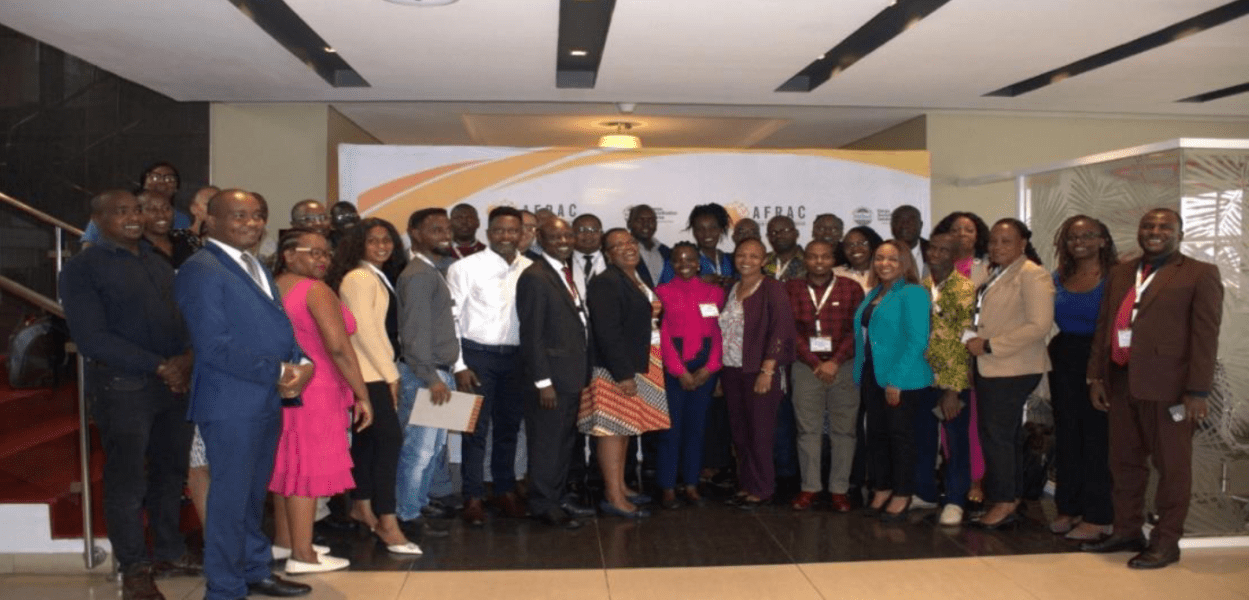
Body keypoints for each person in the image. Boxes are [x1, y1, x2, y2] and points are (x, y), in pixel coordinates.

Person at [175, 189, 314, 600]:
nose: (251, 223)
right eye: (239, 215)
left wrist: (301, 362)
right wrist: (279, 371)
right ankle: (224, 587)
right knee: (229, 500)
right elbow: (213, 346)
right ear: (211, 220)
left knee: (253, 495)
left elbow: (276, 326)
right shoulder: (201, 269)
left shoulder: (252, 263)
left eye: (257, 215)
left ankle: (254, 570)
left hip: (263, 399)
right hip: (230, 402)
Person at [60, 190, 198, 600]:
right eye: (121, 212)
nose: (134, 217)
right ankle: (135, 568)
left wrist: (186, 360)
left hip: (173, 384)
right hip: (124, 387)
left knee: (170, 474)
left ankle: (169, 552)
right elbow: (92, 338)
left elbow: (184, 318)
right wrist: (160, 366)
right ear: (98, 219)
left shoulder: (157, 261)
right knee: (127, 480)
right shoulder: (83, 268)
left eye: (137, 209)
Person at [1083, 208, 1222, 569]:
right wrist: (1096, 377)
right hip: (1121, 381)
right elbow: (1105, 326)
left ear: (1180, 233)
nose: (1155, 231)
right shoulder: (1122, 272)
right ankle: (1127, 531)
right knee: (1124, 463)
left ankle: (1166, 541)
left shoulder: (1199, 273)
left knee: (1172, 468)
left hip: (1170, 389)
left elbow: (1205, 336)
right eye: (1148, 225)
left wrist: (1198, 391)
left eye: (1164, 227)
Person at [270, 228, 374, 574]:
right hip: (316, 389)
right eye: (313, 252)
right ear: (288, 255)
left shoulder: (274, 286)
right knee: (307, 469)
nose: (323, 260)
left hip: (286, 386)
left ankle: (286, 543)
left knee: (288, 465)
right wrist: (362, 393)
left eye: (327, 253)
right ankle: (303, 556)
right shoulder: (315, 290)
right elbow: (339, 348)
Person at [326, 218, 422, 555]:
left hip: (372, 372)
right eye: (373, 240)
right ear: (359, 244)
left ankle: (362, 506)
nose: (382, 246)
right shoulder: (359, 277)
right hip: (370, 374)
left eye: (387, 239)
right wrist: (391, 375)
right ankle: (387, 522)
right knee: (389, 443)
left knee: (367, 444)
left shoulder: (373, 275)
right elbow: (366, 332)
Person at [964, 218, 1054, 529]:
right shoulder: (997, 272)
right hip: (991, 366)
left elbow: (1039, 325)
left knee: (997, 437)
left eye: (1006, 241)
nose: (997, 247)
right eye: (993, 241)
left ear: (1022, 244)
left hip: (1013, 367)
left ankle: (1003, 502)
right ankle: (1011, 498)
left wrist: (990, 345)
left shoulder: (1032, 274)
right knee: (1005, 436)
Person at [446, 206, 532, 525]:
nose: (506, 236)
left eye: (512, 231)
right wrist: (458, 365)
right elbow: (452, 320)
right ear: (488, 233)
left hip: (516, 359)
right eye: (499, 230)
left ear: (522, 234)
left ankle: (504, 490)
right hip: (477, 357)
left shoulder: (531, 269)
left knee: (509, 428)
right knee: (475, 430)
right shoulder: (464, 268)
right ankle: (473, 496)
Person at [516, 217, 595, 528]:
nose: (564, 242)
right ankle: (543, 503)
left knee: (563, 443)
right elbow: (531, 334)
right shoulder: (535, 276)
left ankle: (557, 497)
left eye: (567, 236)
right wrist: (543, 382)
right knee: (547, 444)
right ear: (541, 240)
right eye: (555, 237)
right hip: (550, 380)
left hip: (570, 375)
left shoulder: (563, 272)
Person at [584, 228, 668, 518]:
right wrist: (622, 374)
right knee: (612, 431)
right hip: (615, 370)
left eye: (630, 241)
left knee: (625, 429)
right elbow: (607, 332)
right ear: (608, 255)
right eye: (617, 245)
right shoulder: (606, 282)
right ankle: (613, 497)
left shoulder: (635, 277)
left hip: (638, 363)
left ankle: (619, 486)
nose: (628, 247)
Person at [394, 208, 465, 537]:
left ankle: (418, 502)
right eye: (436, 230)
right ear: (415, 234)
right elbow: (414, 335)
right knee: (419, 452)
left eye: (447, 229)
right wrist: (432, 379)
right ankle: (407, 514)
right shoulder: (420, 275)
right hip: (425, 376)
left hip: (437, 373)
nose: (445, 235)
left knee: (433, 450)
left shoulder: (431, 270)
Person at [1048, 215, 1118, 541]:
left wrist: (1100, 373)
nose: (1079, 242)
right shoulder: (1059, 276)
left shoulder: (1116, 276)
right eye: (1073, 237)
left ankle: (1098, 515)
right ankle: (1069, 508)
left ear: (1103, 240)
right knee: (1067, 436)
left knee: (1097, 439)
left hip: (1102, 358)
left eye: (1088, 235)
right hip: (1064, 356)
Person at [853, 240, 932, 521]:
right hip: (873, 375)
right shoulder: (875, 292)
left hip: (903, 378)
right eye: (879, 258)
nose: (883, 264)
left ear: (905, 263)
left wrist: (896, 380)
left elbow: (917, 340)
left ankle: (902, 492)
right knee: (876, 435)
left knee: (900, 438)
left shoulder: (914, 293)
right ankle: (883, 487)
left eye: (892, 259)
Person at [719, 237, 798, 509]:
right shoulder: (731, 289)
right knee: (740, 432)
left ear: (764, 261)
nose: (747, 260)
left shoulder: (772, 288)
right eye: (741, 255)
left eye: (754, 256)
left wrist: (768, 369)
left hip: (760, 370)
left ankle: (763, 488)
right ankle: (746, 484)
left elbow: (782, 328)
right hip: (731, 370)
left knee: (760, 433)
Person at [785, 240, 863, 512]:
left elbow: (856, 330)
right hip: (806, 367)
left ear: (833, 259)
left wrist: (835, 361)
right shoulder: (791, 288)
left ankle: (839, 490)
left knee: (844, 431)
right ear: (805, 260)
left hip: (844, 366)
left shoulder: (851, 288)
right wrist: (814, 362)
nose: (819, 261)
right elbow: (788, 330)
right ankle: (810, 487)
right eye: (813, 256)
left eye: (825, 256)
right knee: (808, 430)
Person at [654, 242, 724, 509]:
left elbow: (718, 331)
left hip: (705, 365)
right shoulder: (661, 293)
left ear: (698, 263)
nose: (684, 264)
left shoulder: (715, 292)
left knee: (697, 429)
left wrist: (711, 367)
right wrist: (679, 371)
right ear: (671, 264)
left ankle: (692, 484)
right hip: (674, 365)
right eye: (678, 259)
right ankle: (668, 486)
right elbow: (662, 334)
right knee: (671, 430)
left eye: (690, 259)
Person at [914, 232, 976, 526]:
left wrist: (953, 389)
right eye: (933, 249)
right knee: (924, 438)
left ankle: (955, 500)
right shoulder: (922, 287)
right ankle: (925, 492)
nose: (935, 254)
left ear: (955, 256)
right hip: (923, 378)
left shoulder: (964, 289)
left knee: (956, 442)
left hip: (952, 379)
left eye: (944, 250)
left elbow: (965, 338)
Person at [930, 210, 991, 503]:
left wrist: (966, 362)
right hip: (936, 362)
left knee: (970, 423)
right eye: (956, 229)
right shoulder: (932, 270)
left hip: (971, 358)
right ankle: (952, 477)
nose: (962, 235)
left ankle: (976, 481)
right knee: (945, 424)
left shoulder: (985, 269)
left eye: (969, 230)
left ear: (978, 236)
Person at [81, 162, 191, 246]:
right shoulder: (112, 213)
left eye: (169, 179)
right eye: (154, 177)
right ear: (143, 183)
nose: (161, 182)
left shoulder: (182, 219)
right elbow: (88, 249)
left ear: (176, 188)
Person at [659, 203, 736, 284]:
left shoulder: (731, 260)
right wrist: (700, 281)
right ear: (694, 232)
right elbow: (664, 289)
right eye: (700, 229)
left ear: (721, 230)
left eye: (713, 228)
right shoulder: (677, 260)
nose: (707, 233)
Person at [138, 190, 200, 268]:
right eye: (152, 209)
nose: (161, 215)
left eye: (166, 208)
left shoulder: (187, 240)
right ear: (138, 214)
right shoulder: (135, 249)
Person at [629, 204, 671, 288]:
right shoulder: (623, 252)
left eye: (651, 220)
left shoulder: (666, 252)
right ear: (629, 223)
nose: (646, 224)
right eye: (640, 220)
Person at [834, 226, 883, 292]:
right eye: (849, 245)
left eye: (861, 243)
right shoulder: (835, 274)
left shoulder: (884, 273)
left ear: (872, 244)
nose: (855, 248)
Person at [571, 213, 606, 300]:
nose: (588, 235)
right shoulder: (562, 261)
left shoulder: (613, 260)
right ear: (572, 234)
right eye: (582, 230)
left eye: (594, 230)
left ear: (602, 234)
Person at [891, 205, 928, 277]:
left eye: (911, 221)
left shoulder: (934, 251)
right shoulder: (881, 254)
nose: (904, 225)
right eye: (899, 221)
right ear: (892, 226)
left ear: (920, 225)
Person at [764, 215, 805, 281]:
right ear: (768, 237)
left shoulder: (809, 261)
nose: (779, 235)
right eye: (773, 232)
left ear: (796, 233)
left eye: (785, 231)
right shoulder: (762, 262)